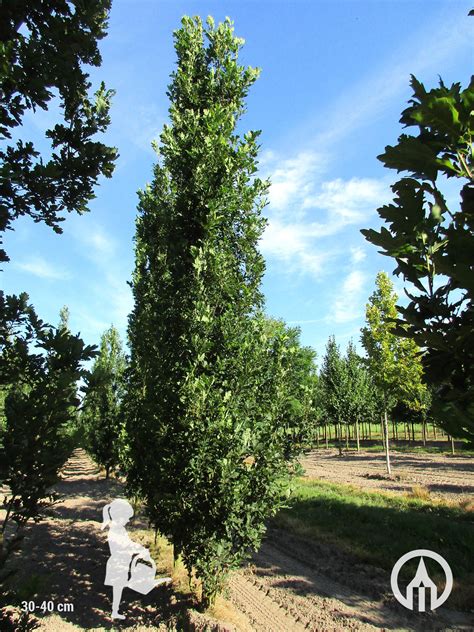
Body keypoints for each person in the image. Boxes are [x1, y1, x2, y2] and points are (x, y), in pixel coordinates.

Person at [101, 498, 170, 620]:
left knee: (120, 587)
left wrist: (139, 549)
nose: (128, 520)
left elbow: (129, 543)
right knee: (119, 586)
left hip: (121, 562)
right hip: (118, 564)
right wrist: (139, 550)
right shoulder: (115, 531)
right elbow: (125, 545)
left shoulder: (119, 529)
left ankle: (115, 609)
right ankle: (115, 611)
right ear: (119, 516)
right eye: (126, 517)